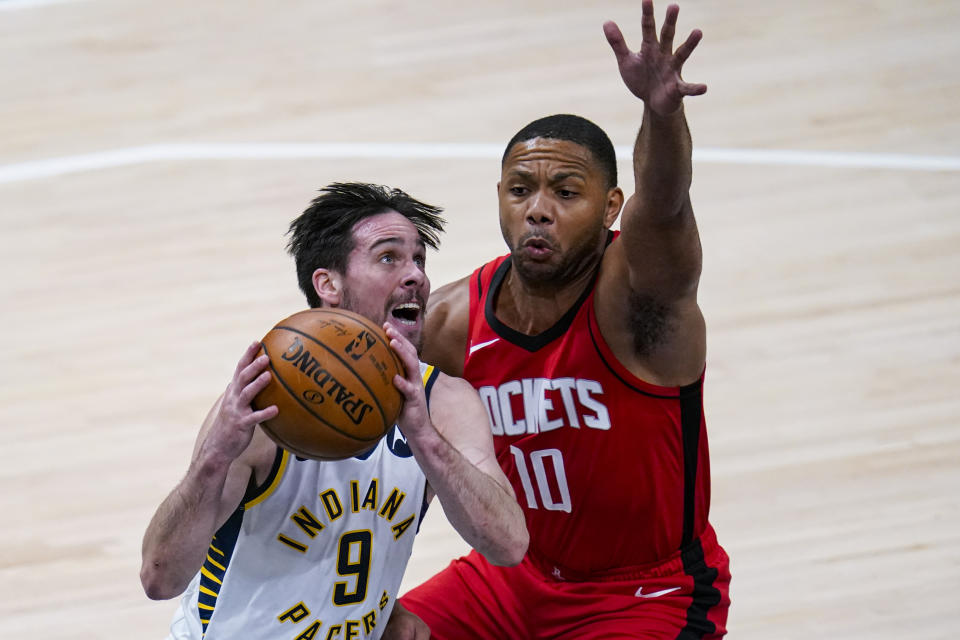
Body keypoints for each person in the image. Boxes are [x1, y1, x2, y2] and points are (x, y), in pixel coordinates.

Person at [395, 1, 730, 637]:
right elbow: (360, 361)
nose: (539, 210)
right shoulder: (452, 319)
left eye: (565, 194)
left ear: (610, 208)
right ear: (499, 197)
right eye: (521, 190)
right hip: (516, 578)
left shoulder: (637, 299)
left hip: (646, 592)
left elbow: (663, 209)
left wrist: (662, 116)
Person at [140, 182, 528, 640]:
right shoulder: (267, 401)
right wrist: (212, 461)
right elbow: (159, 578)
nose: (417, 277)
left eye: (419, 259)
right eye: (389, 258)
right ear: (328, 283)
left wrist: (424, 437)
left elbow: (508, 545)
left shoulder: (444, 402)